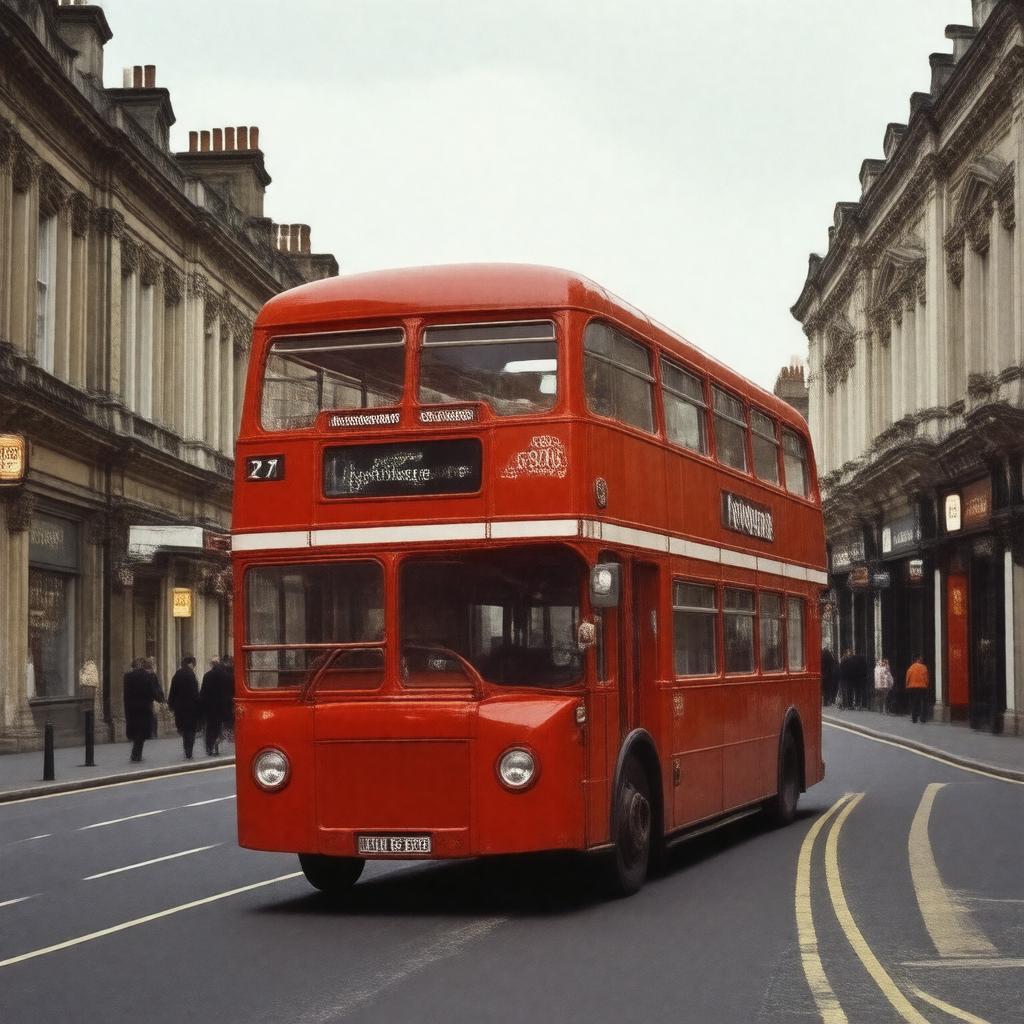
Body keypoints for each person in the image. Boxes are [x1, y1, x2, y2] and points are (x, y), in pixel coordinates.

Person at [124, 656, 164, 762]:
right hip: (144, 708)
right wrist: (161, 699)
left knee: (136, 732)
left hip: (131, 708)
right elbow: (155, 692)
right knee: (141, 733)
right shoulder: (149, 676)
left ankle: (136, 754)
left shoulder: (127, 676)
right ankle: (136, 755)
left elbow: (126, 694)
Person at [168, 655, 201, 758]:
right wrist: (199, 705)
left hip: (179, 707)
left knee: (184, 729)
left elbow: (172, 690)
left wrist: (171, 704)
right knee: (191, 730)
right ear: (190, 663)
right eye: (194, 664)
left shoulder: (177, 674)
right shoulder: (191, 675)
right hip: (191, 707)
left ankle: (186, 747)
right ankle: (189, 750)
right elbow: (195, 693)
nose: (194, 666)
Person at [200, 657, 224, 756]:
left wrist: (201, 706)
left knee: (209, 728)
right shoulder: (224, 675)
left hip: (209, 706)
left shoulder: (207, 676)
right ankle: (216, 746)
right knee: (218, 727)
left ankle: (209, 747)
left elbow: (203, 692)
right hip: (220, 706)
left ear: (212, 665)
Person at [906, 655, 930, 723]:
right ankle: (923, 718)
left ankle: (914, 718)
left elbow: (907, 678)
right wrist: (927, 685)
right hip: (922, 687)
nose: (922, 661)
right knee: (923, 703)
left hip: (912, 687)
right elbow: (926, 678)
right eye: (921, 659)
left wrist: (907, 686)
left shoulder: (911, 668)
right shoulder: (924, 667)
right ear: (919, 660)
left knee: (914, 703)